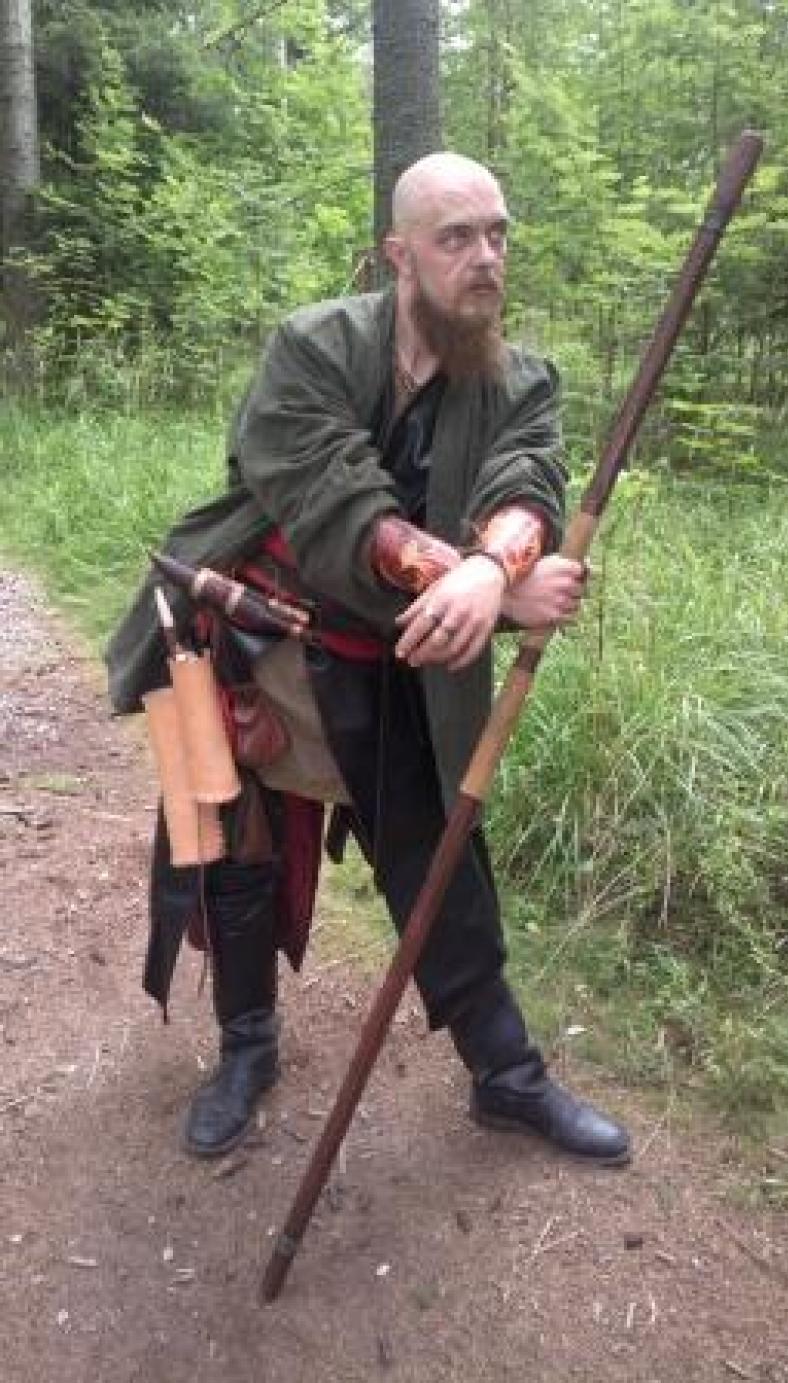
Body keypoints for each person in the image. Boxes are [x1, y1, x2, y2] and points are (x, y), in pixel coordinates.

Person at [106, 152, 631, 1168]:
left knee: (439, 857)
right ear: (398, 253)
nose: (485, 257)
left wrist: (492, 568)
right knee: (231, 848)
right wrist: (486, 584)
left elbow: (529, 481)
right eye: (455, 237)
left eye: (497, 234)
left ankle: (506, 1076)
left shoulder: (521, 378)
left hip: (399, 659)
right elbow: (334, 502)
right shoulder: (312, 347)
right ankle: (246, 1048)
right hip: (251, 642)